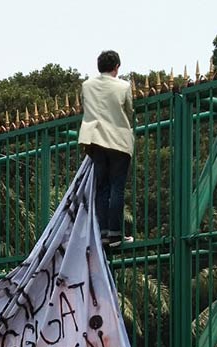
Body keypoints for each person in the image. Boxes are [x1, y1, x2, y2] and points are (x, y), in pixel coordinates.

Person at [78, 49, 135, 248]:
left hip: (94, 140)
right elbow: (129, 110)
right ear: (117, 67)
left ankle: (102, 233)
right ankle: (116, 234)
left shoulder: (86, 86)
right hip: (118, 141)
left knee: (101, 188)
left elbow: (84, 108)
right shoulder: (124, 86)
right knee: (116, 187)